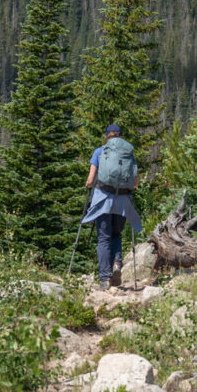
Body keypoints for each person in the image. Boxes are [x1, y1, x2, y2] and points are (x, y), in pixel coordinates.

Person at [82, 123, 142, 289]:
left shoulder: (100, 151)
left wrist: (89, 186)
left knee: (103, 238)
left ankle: (105, 278)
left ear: (106, 136)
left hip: (103, 200)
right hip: (123, 202)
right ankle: (117, 263)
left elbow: (90, 180)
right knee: (117, 234)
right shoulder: (128, 153)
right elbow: (135, 182)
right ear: (121, 137)